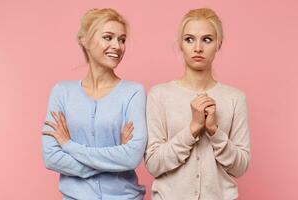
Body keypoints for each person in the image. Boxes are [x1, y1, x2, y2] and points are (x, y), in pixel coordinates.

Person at [144, 8, 250, 200]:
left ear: (219, 44)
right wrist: (192, 129)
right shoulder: (159, 95)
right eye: (189, 39)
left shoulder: (235, 98)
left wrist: (214, 131)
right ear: (181, 45)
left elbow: (240, 167)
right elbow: (153, 164)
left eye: (207, 39)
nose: (198, 48)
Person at [42, 8, 147, 200]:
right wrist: (113, 159)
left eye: (122, 40)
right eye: (108, 37)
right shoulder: (62, 92)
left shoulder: (133, 92)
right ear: (85, 40)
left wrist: (69, 145)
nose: (117, 46)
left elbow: (131, 157)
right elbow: (51, 157)